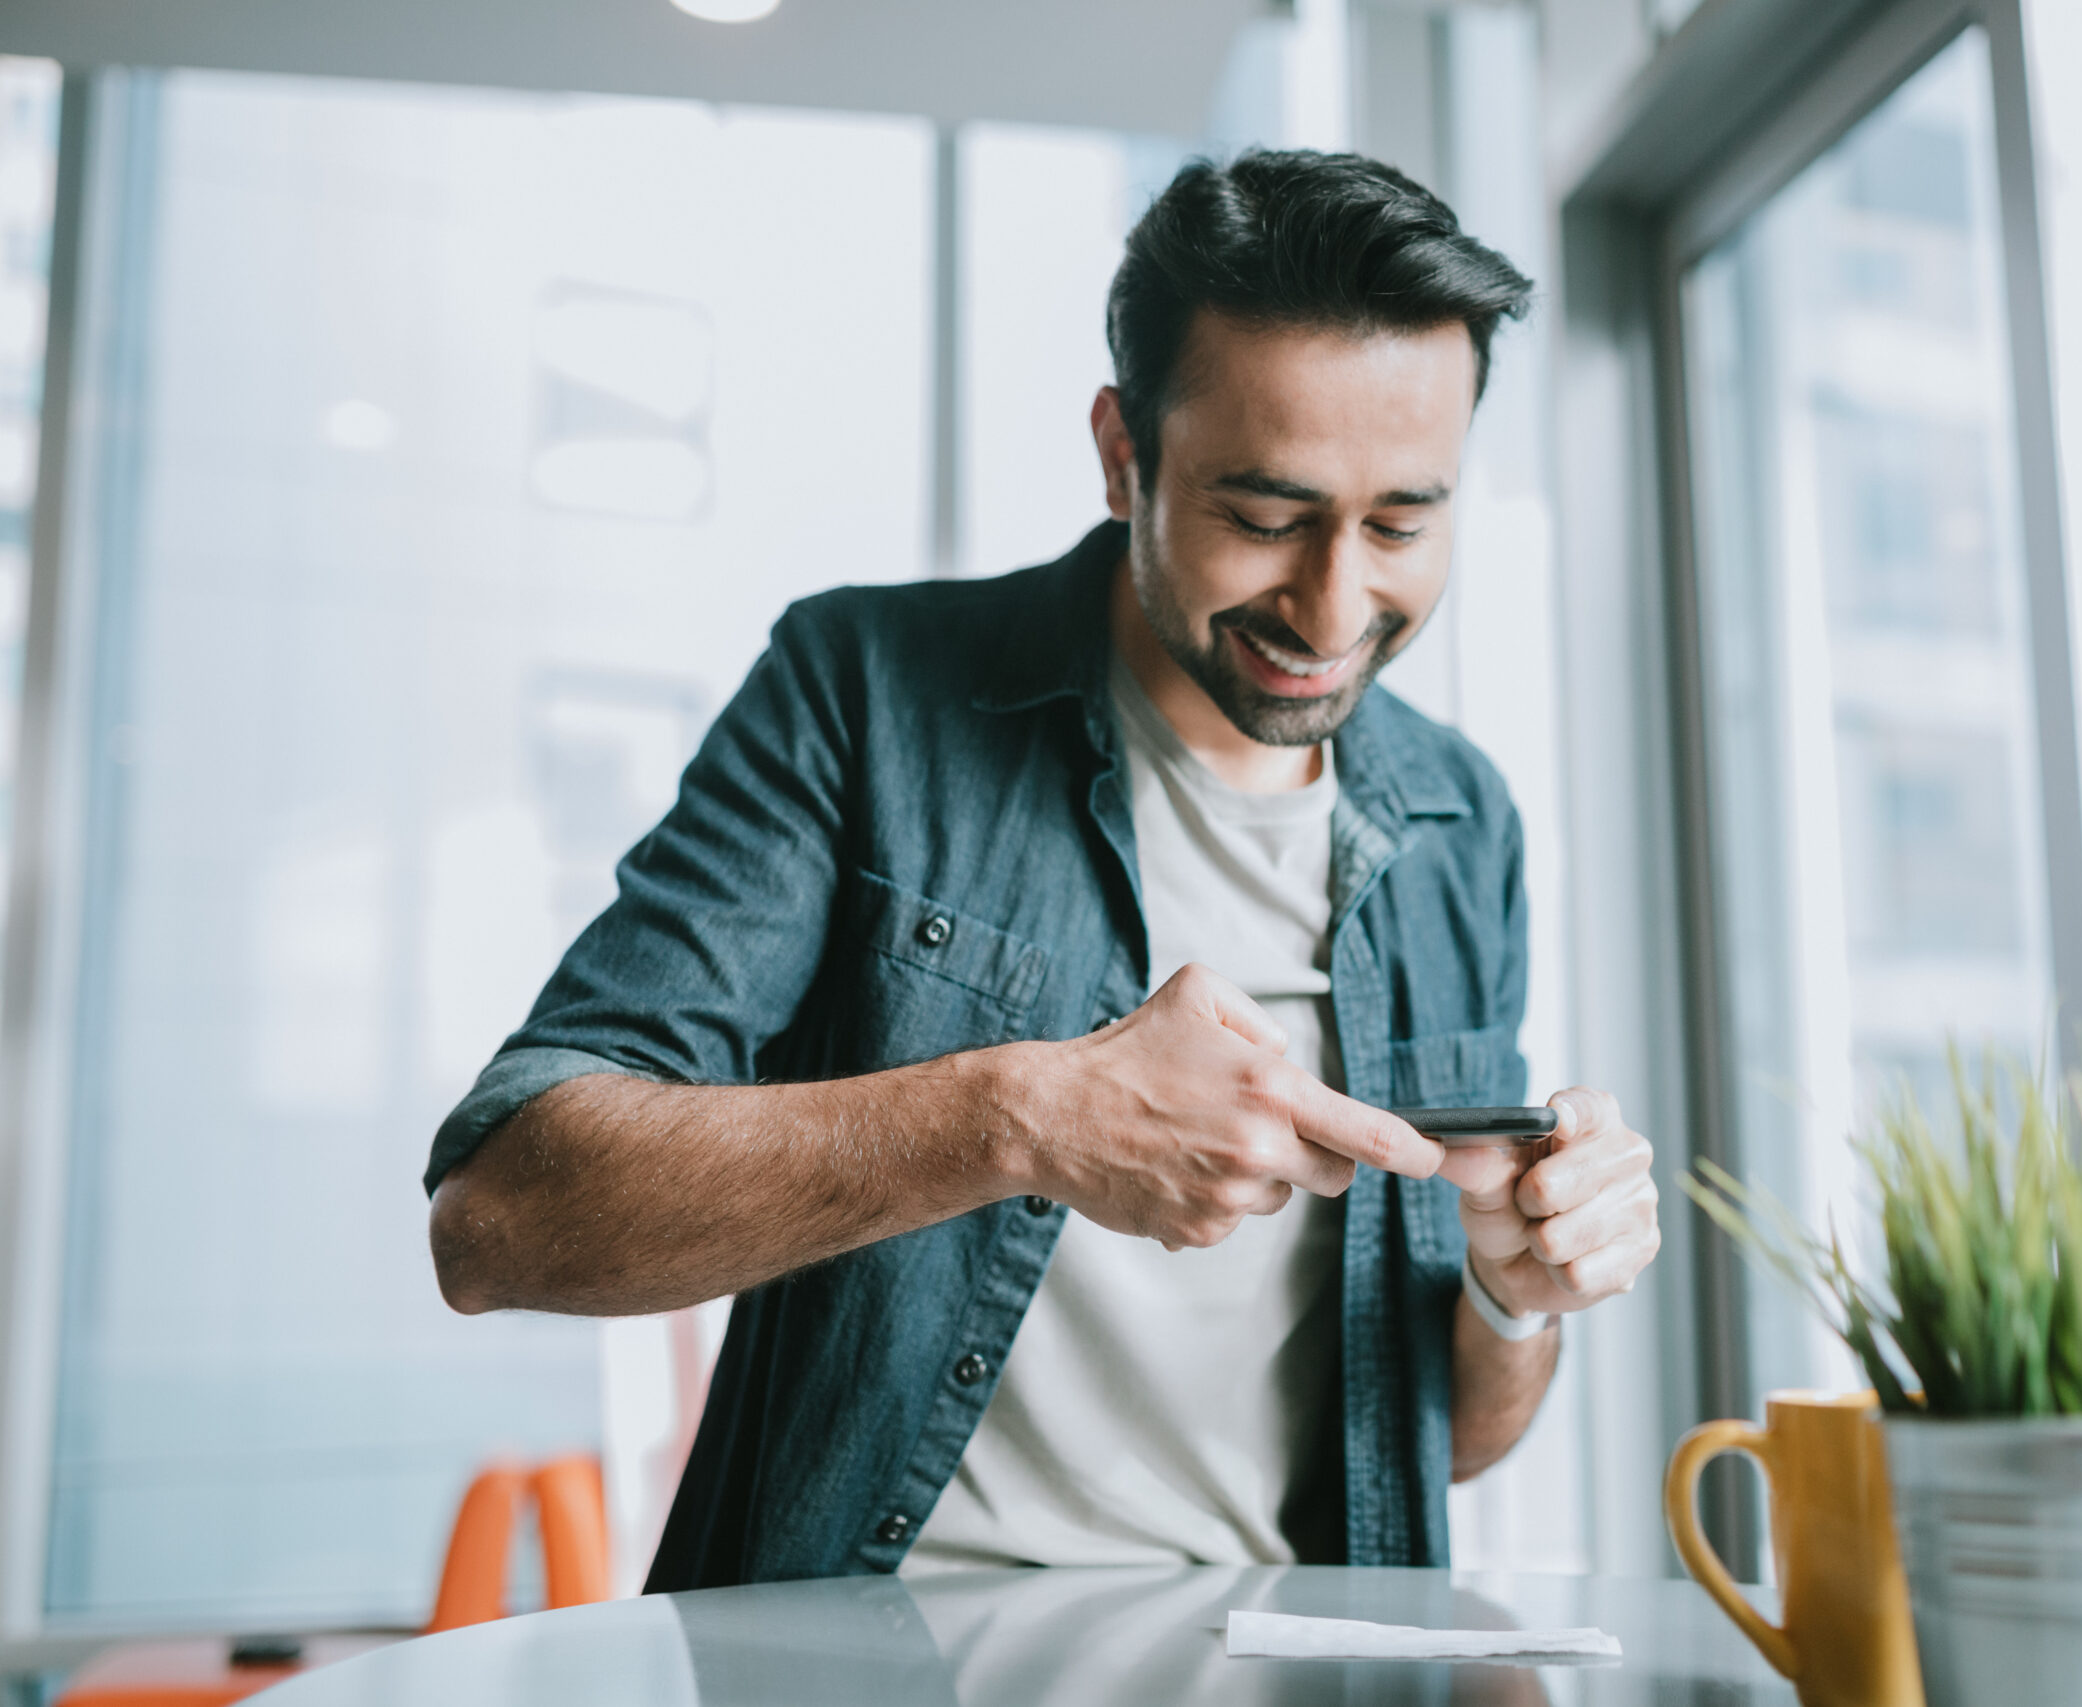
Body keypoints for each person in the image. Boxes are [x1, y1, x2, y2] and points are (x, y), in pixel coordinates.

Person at [425, 149, 1662, 1590]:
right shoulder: (863, 692)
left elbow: (1432, 1447)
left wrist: (1520, 1297)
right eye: (1264, 517)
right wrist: (1023, 1116)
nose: (1334, 605)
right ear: (1123, 453)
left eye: (1400, 523)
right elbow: (500, 1217)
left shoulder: (1465, 820)